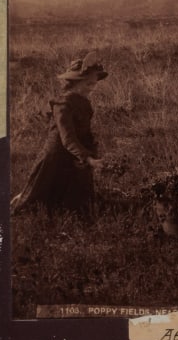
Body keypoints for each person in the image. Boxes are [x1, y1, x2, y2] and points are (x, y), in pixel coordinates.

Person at [11, 51, 108, 216]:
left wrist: (91, 150)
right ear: (74, 83)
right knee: (36, 198)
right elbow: (67, 138)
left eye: (94, 84)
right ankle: (21, 202)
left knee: (77, 203)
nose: (92, 88)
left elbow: (84, 131)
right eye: (88, 84)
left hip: (75, 153)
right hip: (56, 155)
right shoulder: (63, 104)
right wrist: (87, 158)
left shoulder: (84, 102)